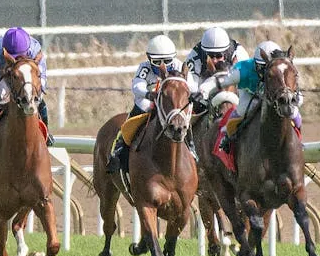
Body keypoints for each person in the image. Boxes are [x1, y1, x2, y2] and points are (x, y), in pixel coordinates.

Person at [200, 40, 302, 153]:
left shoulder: (282, 69)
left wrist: (297, 99)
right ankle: (226, 137)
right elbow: (223, 81)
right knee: (242, 110)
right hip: (250, 92)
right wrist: (207, 87)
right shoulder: (242, 71)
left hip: (275, 93)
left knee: (294, 113)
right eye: (262, 67)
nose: (265, 71)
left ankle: (298, 141)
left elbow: (294, 90)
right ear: (256, 64)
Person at [106, 35, 186, 173]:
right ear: (149, 59)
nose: (163, 65)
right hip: (149, 101)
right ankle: (119, 149)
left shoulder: (179, 65)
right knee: (137, 113)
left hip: (170, 104)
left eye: (167, 60)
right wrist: (149, 94)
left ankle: (192, 145)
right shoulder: (144, 68)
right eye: (157, 61)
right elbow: (137, 86)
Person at [183, 26, 251, 96]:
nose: (214, 61)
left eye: (219, 55)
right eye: (210, 56)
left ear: (226, 53)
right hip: (203, 84)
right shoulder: (194, 56)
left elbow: (247, 85)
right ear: (204, 52)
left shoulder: (240, 54)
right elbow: (192, 88)